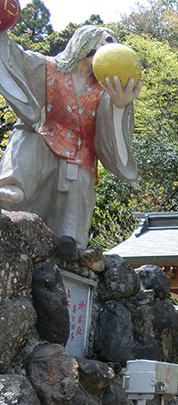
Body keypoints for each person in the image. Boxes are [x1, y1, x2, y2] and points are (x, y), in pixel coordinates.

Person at [0, 24, 140, 247]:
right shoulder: (48, 68)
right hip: (45, 140)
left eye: (109, 43)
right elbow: (13, 58)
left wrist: (120, 105)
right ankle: (12, 184)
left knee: (70, 235)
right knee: (29, 134)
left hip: (79, 156)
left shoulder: (104, 92)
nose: (103, 47)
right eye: (100, 41)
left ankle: (69, 252)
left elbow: (111, 138)